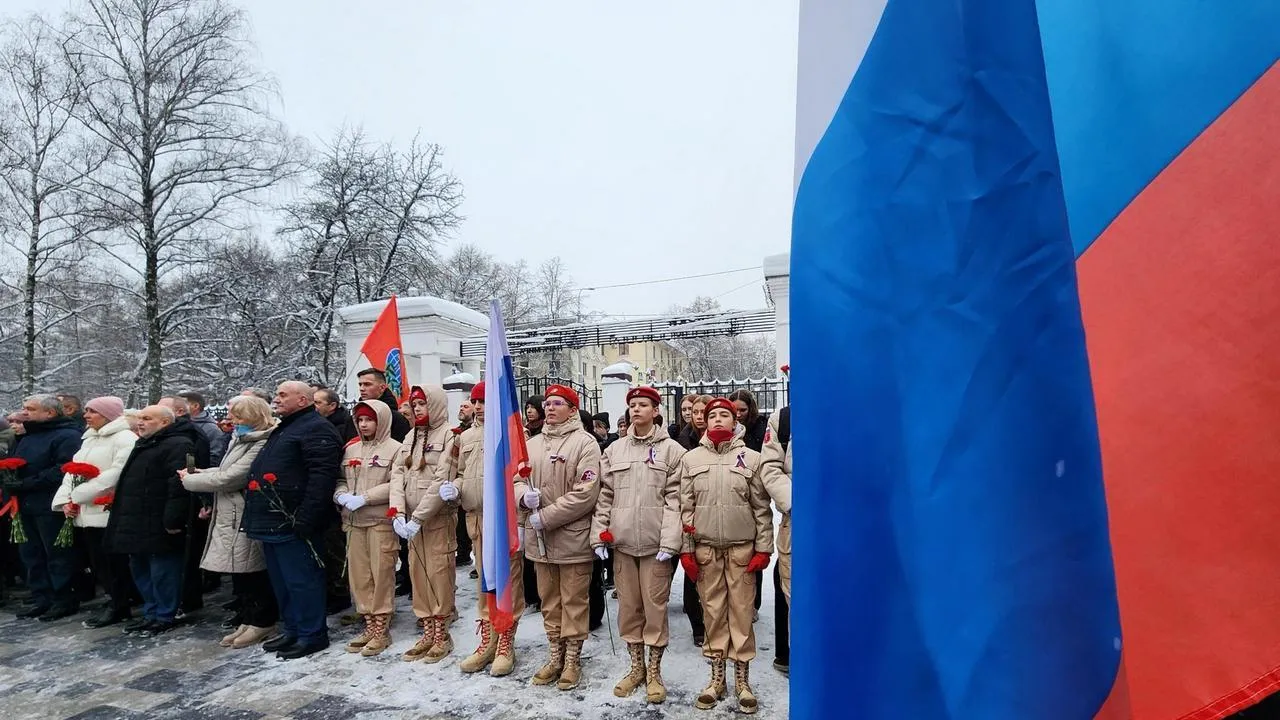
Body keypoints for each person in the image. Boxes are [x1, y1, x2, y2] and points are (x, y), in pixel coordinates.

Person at [592, 386, 686, 704]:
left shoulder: (672, 451)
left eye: (642, 405)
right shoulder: (614, 450)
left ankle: (655, 671)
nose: (636, 410)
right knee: (629, 609)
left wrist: (670, 541)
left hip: (655, 545)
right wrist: (599, 534)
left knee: (655, 609)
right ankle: (636, 668)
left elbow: (676, 502)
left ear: (656, 411)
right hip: (622, 544)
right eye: (632, 405)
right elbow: (605, 496)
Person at [680, 398, 774, 714]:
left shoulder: (753, 459)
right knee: (713, 612)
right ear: (703, 423)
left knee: (742, 614)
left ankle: (743, 680)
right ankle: (716, 678)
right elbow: (685, 508)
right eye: (712, 415)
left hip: (741, 552)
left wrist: (764, 548)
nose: (718, 419)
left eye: (725, 415)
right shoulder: (690, 460)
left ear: (735, 423)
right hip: (706, 551)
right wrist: (687, 549)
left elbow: (762, 510)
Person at [242, 381, 342, 660]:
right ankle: (294, 629)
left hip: (296, 522)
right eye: (276, 393)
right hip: (274, 521)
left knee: (302, 580)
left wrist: (306, 517)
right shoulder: (287, 426)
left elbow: (321, 478)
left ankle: (312, 634)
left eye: (283, 394)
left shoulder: (316, 428)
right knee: (283, 581)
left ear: (303, 400)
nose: (276, 399)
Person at [517, 384, 602, 692]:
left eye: (557, 403)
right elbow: (517, 477)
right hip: (539, 541)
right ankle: (555, 655)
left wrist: (547, 516)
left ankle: (572, 660)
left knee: (574, 601)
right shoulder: (533, 443)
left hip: (572, 538)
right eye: (548, 403)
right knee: (549, 602)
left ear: (571, 408)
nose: (550, 408)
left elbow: (586, 492)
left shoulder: (585, 443)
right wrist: (523, 498)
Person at [437, 381, 525, 676]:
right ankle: (488, 638)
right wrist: (456, 488)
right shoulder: (466, 437)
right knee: (484, 583)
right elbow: (463, 473)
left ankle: (506, 642)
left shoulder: (512, 433)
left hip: (503, 522)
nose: (478, 407)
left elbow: (520, 476)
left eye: (484, 402)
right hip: (476, 518)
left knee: (507, 582)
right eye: (474, 402)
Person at [178, 395, 279, 649]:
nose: (231, 421)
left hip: (243, 513)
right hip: (230, 512)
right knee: (240, 571)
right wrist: (201, 473)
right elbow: (223, 472)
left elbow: (232, 478)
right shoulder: (240, 439)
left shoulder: (261, 441)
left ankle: (261, 620)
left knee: (251, 568)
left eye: (238, 417)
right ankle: (247, 619)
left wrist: (190, 482)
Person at [103, 404, 195, 637]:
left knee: (162, 570)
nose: (140, 422)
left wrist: (173, 519)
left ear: (164, 422)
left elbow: (178, 486)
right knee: (140, 568)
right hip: (136, 518)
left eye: (147, 418)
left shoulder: (178, 444)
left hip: (158, 519)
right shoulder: (144, 443)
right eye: (140, 418)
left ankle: (165, 613)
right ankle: (151, 612)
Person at [52, 396, 138, 628]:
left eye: (93, 411)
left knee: (112, 563)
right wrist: (65, 501)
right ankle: (115, 599)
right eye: (87, 410)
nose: (86, 415)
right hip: (85, 511)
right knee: (98, 563)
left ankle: (120, 605)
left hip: (106, 510)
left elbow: (117, 473)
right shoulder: (89, 439)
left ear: (108, 414)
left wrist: (79, 495)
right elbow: (72, 471)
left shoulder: (125, 438)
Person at [390, 385, 456, 662]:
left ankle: (442, 633)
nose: (416, 410)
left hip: (436, 518)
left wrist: (418, 517)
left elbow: (443, 478)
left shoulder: (451, 436)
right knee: (417, 572)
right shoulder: (409, 436)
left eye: (422, 404)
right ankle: (427, 629)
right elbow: (397, 476)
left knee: (438, 572)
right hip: (410, 520)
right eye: (413, 404)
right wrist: (397, 512)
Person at [335, 399, 402, 658]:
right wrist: (340, 495)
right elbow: (340, 478)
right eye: (360, 420)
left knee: (381, 572)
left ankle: (382, 625)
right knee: (360, 575)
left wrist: (366, 497)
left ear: (381, 421)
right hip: (353, 521)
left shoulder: (395, 449)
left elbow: (397, 483)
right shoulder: (351, 449)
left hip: (379, 520)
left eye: (369, 419)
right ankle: (368, 621)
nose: (364, 424)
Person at [6, 394, 82, 620]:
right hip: (25, 503)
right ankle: (42, 597)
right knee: (31, 554)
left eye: (30, 408)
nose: (24, 412)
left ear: (49, 412)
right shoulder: (28, 436)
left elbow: (63, 468)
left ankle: (63, 598)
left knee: (57, 554)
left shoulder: (67, 435)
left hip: (50, 503)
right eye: (24, 407)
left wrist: (27, 483)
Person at [760, 403, 792, 675]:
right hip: (799, 524)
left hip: (850, 523)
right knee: (799, 601)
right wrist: (796, 502)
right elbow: (770, 467)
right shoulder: (784, 419)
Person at [344, 369, 410, 442]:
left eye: (367, 384)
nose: (361, 389)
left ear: (382, 388)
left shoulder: (396, 418)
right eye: (360, 384)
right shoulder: (353, 418)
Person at [179, 391, 230, 466]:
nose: (178, 408)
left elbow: (215, 457)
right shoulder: (177, 424)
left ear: (196, 406)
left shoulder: (212, 429)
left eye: (182, 405)